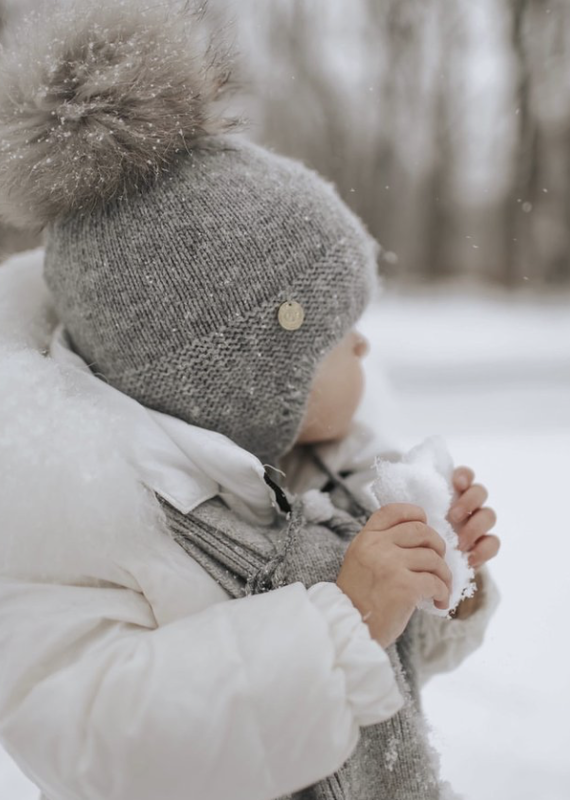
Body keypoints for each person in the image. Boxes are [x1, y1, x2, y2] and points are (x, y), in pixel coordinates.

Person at [0, 2, 500, 799]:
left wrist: (431, 585)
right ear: (244, 378)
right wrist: (347, 620)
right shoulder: (79, 537)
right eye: (340, 335)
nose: (366, 348)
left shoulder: (318, 473)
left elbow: (392, 673)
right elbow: (118, 746)